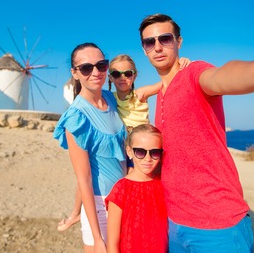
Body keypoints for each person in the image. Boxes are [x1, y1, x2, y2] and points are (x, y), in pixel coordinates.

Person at [137, 13, 254, 252]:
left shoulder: (194, 73)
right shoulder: (160, 94)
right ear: (144, 49)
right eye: (150, 42)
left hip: (218, 225)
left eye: (165, 39)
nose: (158, 47)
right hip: (175, 224)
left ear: (178, 42)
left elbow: (222, 77)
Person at [57, 54, 190, 232]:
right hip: (125, 149)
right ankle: (75, 213)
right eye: (117, 74)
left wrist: (182, 65)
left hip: (142, 148)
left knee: (152, 180)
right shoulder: (109, 98)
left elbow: (167, 82)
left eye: (128, 73)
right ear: (110, 77)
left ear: (134, 75)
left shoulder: (139, 94)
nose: (122, 78)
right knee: (86, 176)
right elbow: (89, 98)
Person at [53, 42, 127, 252]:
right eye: (86, 68)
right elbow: (84, 180)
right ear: (75, 73)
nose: (95, 72)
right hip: (100, 204)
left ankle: (74, 216)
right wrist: (97, 238)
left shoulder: (112, 99)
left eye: (101, 65)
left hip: (126, 197)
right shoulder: (77, 117)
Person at [106, 124, 168, 253]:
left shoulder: (164, 184)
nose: (148, 158)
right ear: (129, 152)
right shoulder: (121, 189)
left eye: (155, 152)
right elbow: (112, 243)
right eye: (140, 152)